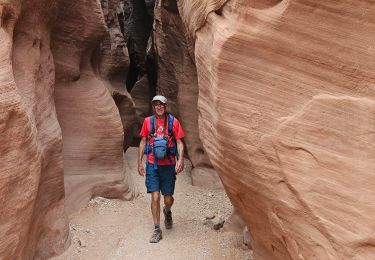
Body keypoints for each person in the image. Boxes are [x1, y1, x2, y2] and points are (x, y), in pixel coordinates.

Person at [138, 95, 185, 243]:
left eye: (161, 104)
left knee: (168, 198)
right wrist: (140, 162)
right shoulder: (148, 122)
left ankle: (167, 210)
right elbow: (143, 141)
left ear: (165, 106)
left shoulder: (173, 122)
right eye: (156, 104)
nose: (159, 107)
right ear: (153, 106)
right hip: (153, 165)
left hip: (168, 165)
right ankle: (157, 228)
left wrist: (181, 159)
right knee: (155, 197)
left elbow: (180, 142)